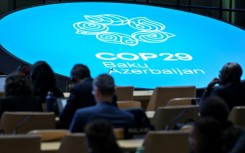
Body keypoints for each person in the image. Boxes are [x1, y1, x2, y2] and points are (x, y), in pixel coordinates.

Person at [69, 73, 135, 132]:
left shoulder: (81, 115)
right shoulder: (129, 117)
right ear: (115, 91)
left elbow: (72, 138)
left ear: (96, 92)